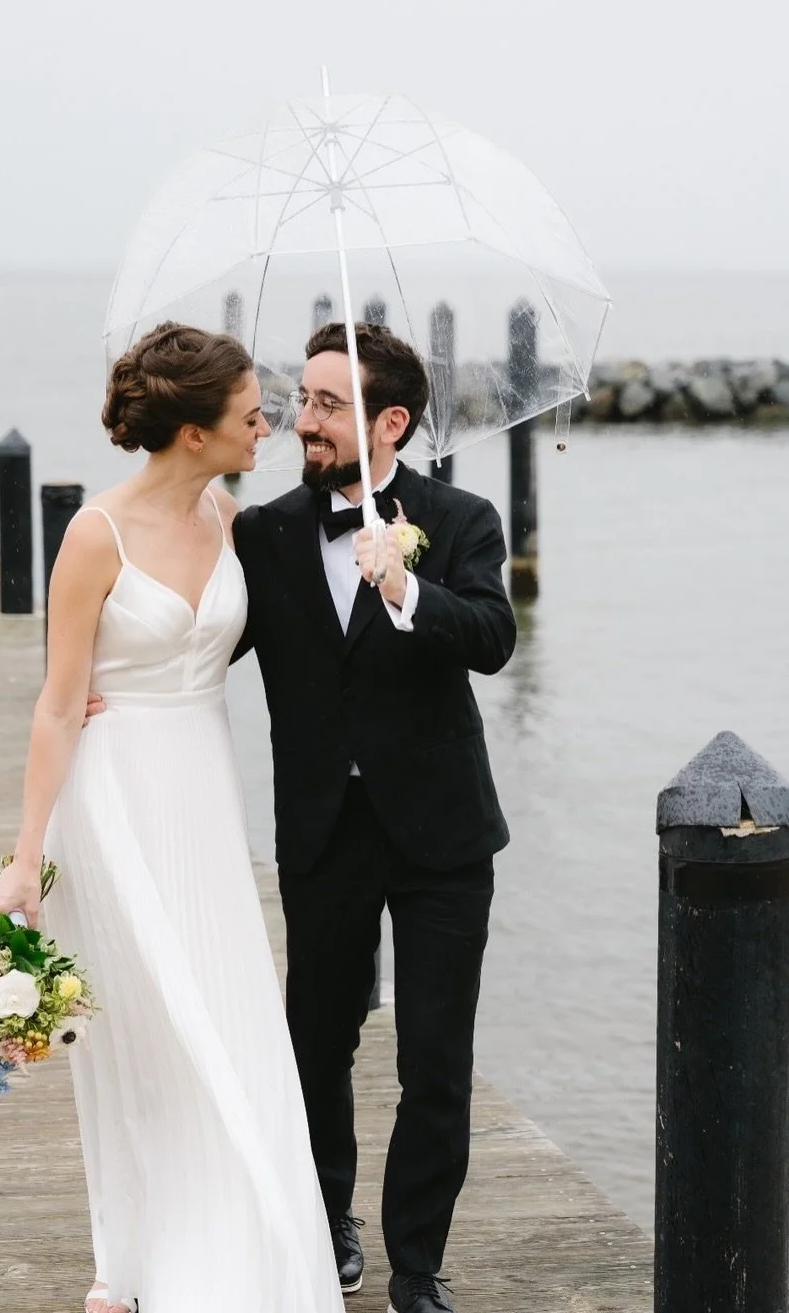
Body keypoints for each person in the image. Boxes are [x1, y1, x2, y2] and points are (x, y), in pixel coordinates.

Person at [0, 322, 345, 1313]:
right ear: (193, 432)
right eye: (249, 415)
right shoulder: (93, 535)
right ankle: (129, 1257)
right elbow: (60, 703)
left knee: (225, 1015)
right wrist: (25, 861)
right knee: (141, 1031)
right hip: (113, 796)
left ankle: (239, 1239)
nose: (267, 425)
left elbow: (231, 645)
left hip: (204, 791)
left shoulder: (230, 517)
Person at [231, 321, 516, 1313]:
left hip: (442, 836)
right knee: (317, 1041)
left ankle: (418, 1266)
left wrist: (406, 585)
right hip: (322, 829)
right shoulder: (264, 533)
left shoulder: (463, 516)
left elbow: (491, 639)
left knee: (437, 1059)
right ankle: (327, 1221)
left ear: (390, 420)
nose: (300, 419)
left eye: (324, 404)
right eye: (300, 399)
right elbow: (203, 645)